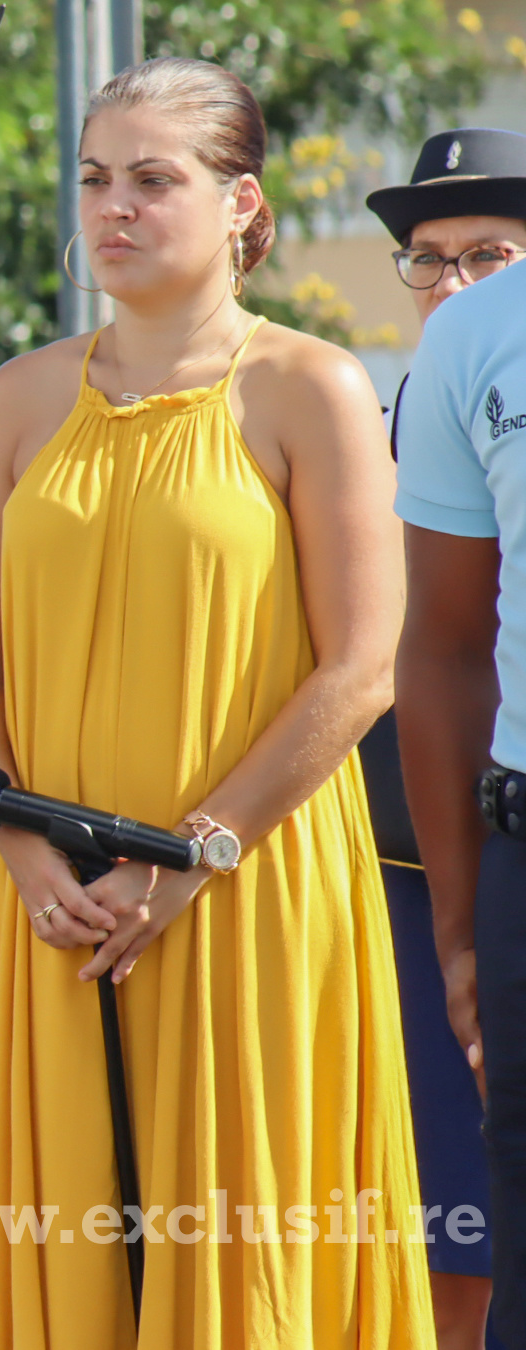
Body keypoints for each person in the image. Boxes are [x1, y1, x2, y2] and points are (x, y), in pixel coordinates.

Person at [0, 57, 430, 1343]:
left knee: (249, 1247)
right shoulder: (18, 396)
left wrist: (192, 854)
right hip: (48, 901)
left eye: (156, 179)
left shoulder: (311, 388)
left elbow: (361, 668)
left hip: (245, 890)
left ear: (241, 204)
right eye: (97, 177)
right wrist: (23, 845)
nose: (117, 206)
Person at [362, 127, 526, 1350]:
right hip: (418, 854)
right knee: (444, 1222)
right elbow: (437, 642)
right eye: (431, 259)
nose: (456, 282)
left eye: (488, 252)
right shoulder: (420, 383)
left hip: (462, 846)